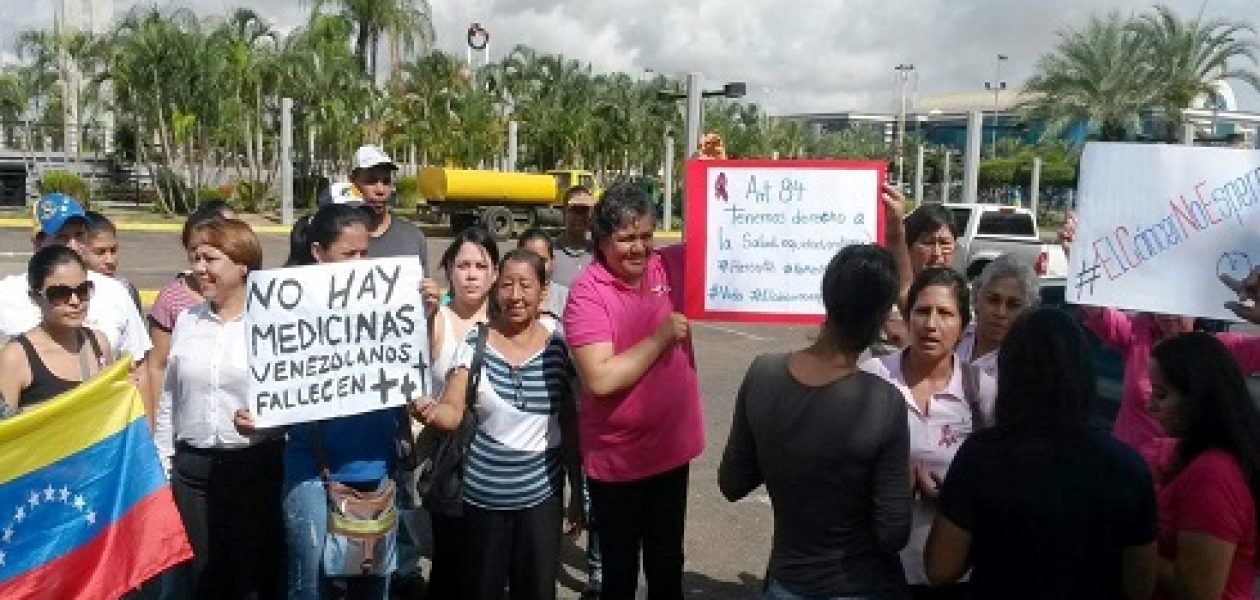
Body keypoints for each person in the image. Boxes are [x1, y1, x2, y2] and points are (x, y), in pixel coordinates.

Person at [719, 244, 912, 599]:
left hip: (787, 583)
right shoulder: (883, 404)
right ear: (882, 317)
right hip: (860, 584)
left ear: (827, 296)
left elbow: (732, 483)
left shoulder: (763, 373)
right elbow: (892, 532)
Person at [924, 308, 1158, 599]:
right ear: (1083, 373)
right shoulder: (1127, 468)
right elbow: (1141, 586)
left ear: (1011, 372)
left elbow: (941, 568)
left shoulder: (982, 457)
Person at [235, 204, 402, 599]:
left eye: (365, 253)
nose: (360, 263)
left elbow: (413, 373)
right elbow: (281, 394)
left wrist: (424, 315)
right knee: (309, 586)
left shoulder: (389, 303)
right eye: (349, 254)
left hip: (374, 468)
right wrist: (260, 420)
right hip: (312, 469)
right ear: (317, 252)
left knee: (372, 585)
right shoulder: (284, 311)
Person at [413, 248, 583, 600]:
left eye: (526, 285)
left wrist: (578, 494)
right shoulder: (475, 343)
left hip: (542, 499)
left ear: (544, 291)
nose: (515, 296)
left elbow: (570, 423)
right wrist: (427, 409)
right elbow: (453, 411)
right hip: (481, 501)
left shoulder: (559, 345)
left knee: (536, 591)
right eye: (506, 285)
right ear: (495, 289)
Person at [563, 183, 701, 600]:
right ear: (603, 241)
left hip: (671, 454)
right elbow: (600, 379)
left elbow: (718, 242)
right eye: (626, 239)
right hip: (618, 462)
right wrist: (660, 338)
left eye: (646, 235)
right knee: (618, 575)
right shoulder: (587, 293)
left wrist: (712, 178)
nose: (639, 248)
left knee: (666, 569)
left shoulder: (668, 266)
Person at [163, 218, 284, 599]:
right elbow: (171, 397)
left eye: (210, 258)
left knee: (251, 577)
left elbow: (294, 402)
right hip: (192, 472)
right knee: (201, 578)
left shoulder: (273, 324)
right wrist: (162, 460)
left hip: (253, 469)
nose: (199, 268)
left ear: (242, 264)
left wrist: (268, 424)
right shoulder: (186, 320)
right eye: (194, 258)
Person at [860, 267, 996, 600]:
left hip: (953, 573)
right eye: (922, 311)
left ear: (964, 326)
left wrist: (953, 495)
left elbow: (997, 481)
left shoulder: (981, 388)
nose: (931, 324)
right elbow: (844, 465)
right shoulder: (873, 377)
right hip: (875, 566)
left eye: (945, 313)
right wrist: (890, 485)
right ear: (907, 318)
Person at [1147, 333, 1259, 600]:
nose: (1150, 405)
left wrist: (1134, 544)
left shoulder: (1213, 475)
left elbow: (1198, 591)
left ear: (1198, 398)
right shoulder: (1198, 460)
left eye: (1161, 395)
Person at [0, 193, 151, 382]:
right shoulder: (6, 295)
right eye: (62, 237)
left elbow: (140, 368)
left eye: (79, 235)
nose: (72, 246)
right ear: (37, 243)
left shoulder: (115, 292)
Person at [424, 226, 500, 599]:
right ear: (449, 270)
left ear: (495, 273)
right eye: (463, 265)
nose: (471, 274)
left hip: (501, 466)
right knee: (450, 565)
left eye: (481, 266)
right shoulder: (434, 320)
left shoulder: (510, 321)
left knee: (490, 567)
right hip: (449, 464)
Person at [1080, 305, 1260, 452]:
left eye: (1178, 305)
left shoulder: (1217, 349)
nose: (1167, 313)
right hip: (1129, 465)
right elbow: (1095, 307)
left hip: (1186, 470)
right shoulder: (1138, 333)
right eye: (1162, 302)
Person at [148, 201, 238, 462]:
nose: (202, 266)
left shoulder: (259, 302)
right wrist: (161, 441)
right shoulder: (176, 303)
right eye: (196, 255)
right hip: (190, 445)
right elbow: (159, 368)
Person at [0, 245, 110, 411]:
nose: (75, 301)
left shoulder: (98, 344)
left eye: (82, 290)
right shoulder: (16, 357)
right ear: (36, 298)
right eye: (60, 293)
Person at [955, 254, 1038, 377]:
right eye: (993, 300)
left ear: (1027, 312)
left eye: (1013, 305)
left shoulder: (1026, 363)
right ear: (976, 299)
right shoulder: (954, 339)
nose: (1000, 312)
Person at [350, 145, 429, 270]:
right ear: (353, 182)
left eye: (386, 181)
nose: (380, 190)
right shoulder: (336, 239)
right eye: (371, 181)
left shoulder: (413, 237)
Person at [82, 210, 142, 310]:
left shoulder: (126, 289)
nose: (110, 260)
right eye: (100, 252)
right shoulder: (65, 296)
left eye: (113, 250)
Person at [517, 227, 567, 324]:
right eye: (530, 260)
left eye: (542, 260)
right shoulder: (510, 297)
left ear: (552, 261)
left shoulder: (567, 298)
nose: (537, 266)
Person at [551, 186, 596, 290]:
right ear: (563, 212)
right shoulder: (550, 252)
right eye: (574, 210)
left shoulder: (600, 253)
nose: (579, 216)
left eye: (584, 210)